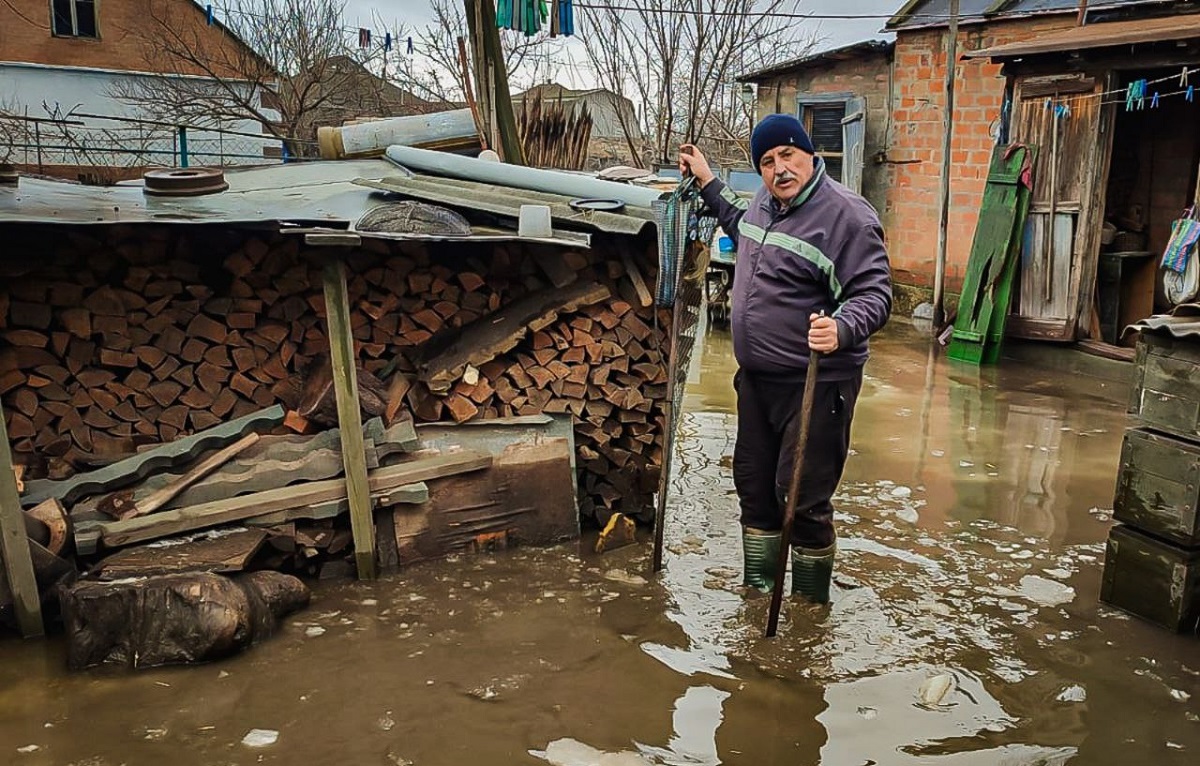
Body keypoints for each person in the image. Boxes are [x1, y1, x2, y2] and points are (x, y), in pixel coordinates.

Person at [679, 114, 892, 603]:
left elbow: (875, 293)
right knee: (754, 489)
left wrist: (841, 327)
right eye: (768, 161)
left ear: (810, 154)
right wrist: (708, 180)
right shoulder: (764, 204)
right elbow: (739, 223)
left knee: (800, 501)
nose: (780, 169)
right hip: (757, 382)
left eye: (788, 155)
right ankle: (758, 594)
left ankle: (810, 608)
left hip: (817, 384)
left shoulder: (847, 217)